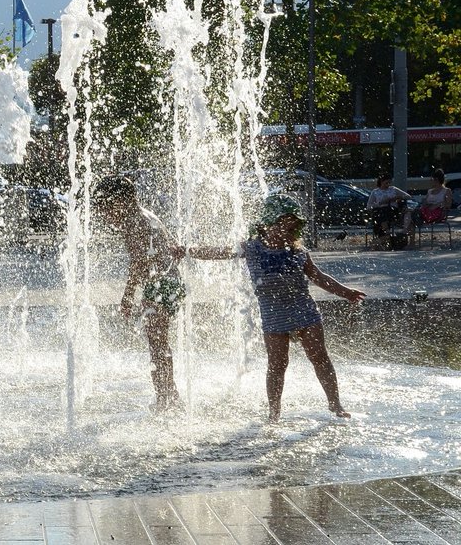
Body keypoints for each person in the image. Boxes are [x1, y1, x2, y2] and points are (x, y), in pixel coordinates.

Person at [177, 194, 365, 422]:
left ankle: (335, 404)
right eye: (282, 224)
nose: (286, 230)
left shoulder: (298, 252)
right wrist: (187, 251)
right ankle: (274, 413)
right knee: (277, 365)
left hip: (303, 310)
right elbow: (220, 252)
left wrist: (346, 293)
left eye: (291, 226)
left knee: (320, 358)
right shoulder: (252, 248)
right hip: (274, 316)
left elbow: (319, 277)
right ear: (267, 223)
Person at [93, 175, 183, 412]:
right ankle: (169, 393)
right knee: (159, 342)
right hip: (169, 282)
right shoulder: (145, 215)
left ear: (120, 201)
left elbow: (138, 262)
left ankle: (164, 397)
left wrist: (127, 296)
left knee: (156, 345)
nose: (104, 214)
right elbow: (166, 248)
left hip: (160, 286)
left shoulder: (133, 221)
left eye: (105, 207)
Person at [367, 174, 413, 249]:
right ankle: (386, 233)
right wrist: (380, 203)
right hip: (380, 210)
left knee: (381, 213)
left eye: (389, 183)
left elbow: (408, 196)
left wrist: (398, 197)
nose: (388, 185)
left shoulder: (393, 189)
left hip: (392, 211)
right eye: (386, 183)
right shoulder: (375, 192)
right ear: (381, 182)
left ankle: (384, 235)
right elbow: (369, 206)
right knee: (379, 212)